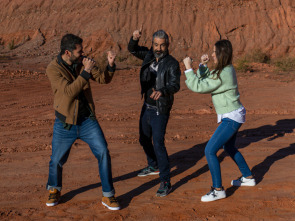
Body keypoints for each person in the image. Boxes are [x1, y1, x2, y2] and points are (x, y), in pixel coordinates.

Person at [45, 33, 120, 210]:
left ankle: (108, 195)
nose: (83, 53)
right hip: (65, 123)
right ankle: (54, 189)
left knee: (103, 152)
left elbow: (103, 79)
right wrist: (85, 72)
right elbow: (69, 92)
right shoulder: (53, 69)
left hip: (87, 120)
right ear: (67, 52)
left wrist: (109, 64)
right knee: (56, 160)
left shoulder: (82, 62)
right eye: (79, 51)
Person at [183, 39, 256, 202]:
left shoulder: (224, 73)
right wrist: (202, 66)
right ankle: (248, 177)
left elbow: (199, 87)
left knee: (209, 150)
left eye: (214, 52)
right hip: (234, 115)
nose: (212, 54)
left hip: (231, 118)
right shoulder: (225, 70)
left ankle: (218, 189)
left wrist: (188, 69)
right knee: (229, 146)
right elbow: (208, 79)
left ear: (221, 53)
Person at [128, 28, 181, 197]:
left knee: (158, 143)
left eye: (162, 45)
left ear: (167, 45)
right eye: (156, 45)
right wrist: (134, 39)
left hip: (160, 108)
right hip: (147, 106)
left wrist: (163, 91)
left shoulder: (172, 63)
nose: (159, 48)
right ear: (153, 44)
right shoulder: (149, 55)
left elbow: (175, 85)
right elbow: (133, 50)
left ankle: (166, 181)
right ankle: (153, 165)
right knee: (143, 139)